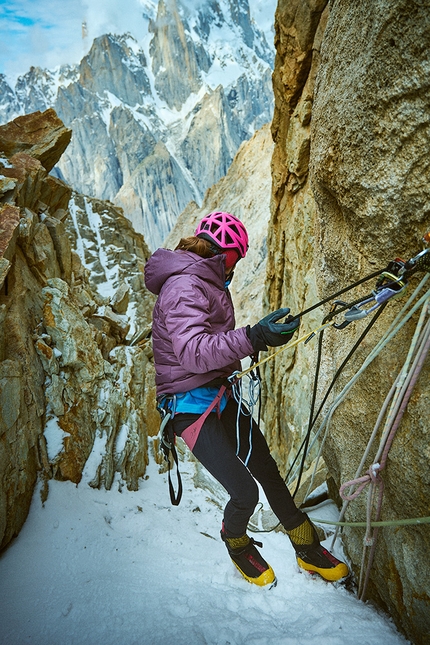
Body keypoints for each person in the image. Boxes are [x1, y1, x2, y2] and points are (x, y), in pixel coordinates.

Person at [144, 211, 349, 587]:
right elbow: (192, 352)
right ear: (222, 253)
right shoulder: (184, 287)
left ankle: (306, 546)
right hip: (190, 409)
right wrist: (253, 337)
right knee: (245, 492)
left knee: (266, 468)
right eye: (237, 258)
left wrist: (259, 339)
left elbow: (208, 346)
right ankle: (236, 542)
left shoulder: (205, 280)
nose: (236, 268)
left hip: (218, 393)